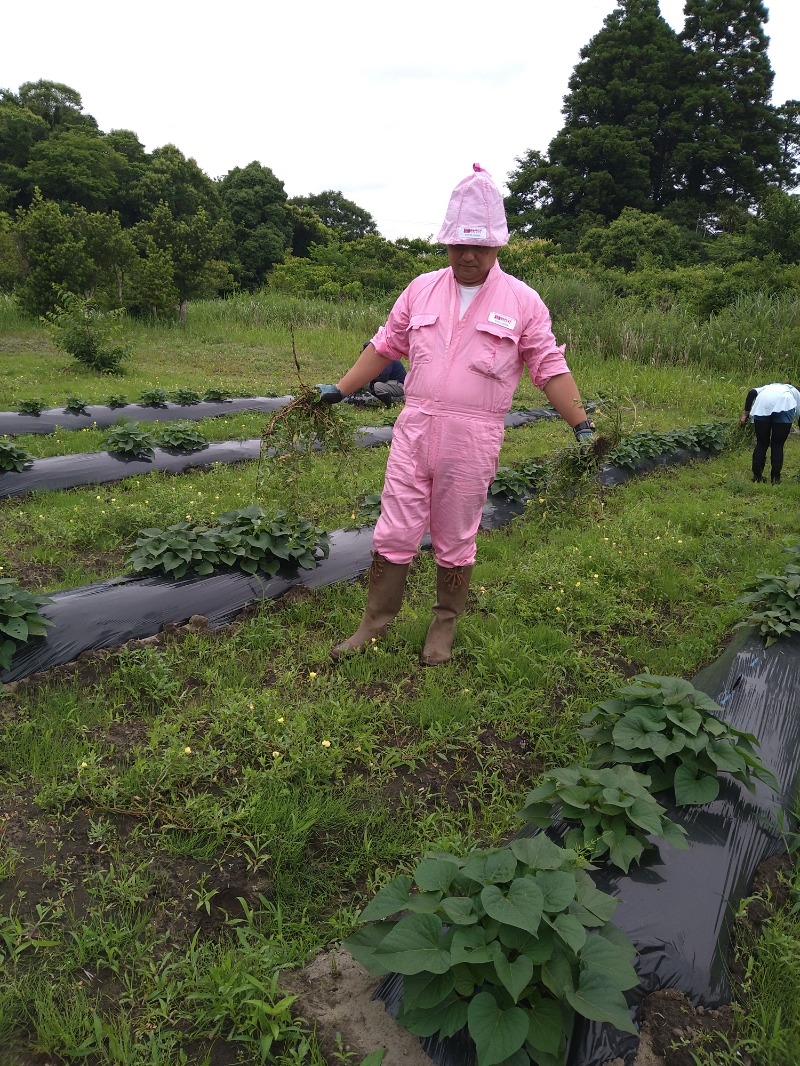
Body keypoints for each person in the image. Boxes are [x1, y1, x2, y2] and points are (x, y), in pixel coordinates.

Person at [316, 163, 594, 666]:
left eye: (479, 247)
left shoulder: (523, 301)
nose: (467, 256)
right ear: (445, 242)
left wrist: (583, 423)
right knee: (394, 529)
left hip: (474, 437)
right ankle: (375, 622)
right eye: (458, 245)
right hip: (415, 427)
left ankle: (443, 624)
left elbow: (549, 366)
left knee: (455, 535)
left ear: (497, 247)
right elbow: (384, 347)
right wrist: (339, 388)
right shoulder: (420, 289)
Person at [740, 381, 800, 484]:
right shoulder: (795, 392)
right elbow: (799, 413)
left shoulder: (767, 387)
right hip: (784, 406)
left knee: (761, 443)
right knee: (777, 444)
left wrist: (745, 414)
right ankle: (775, 479)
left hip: (763, 405)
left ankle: (757, 477)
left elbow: (752, 393)